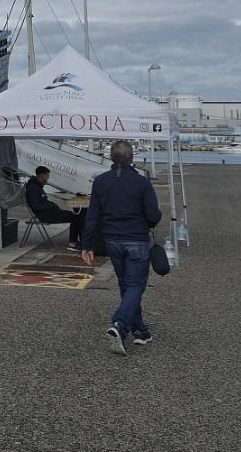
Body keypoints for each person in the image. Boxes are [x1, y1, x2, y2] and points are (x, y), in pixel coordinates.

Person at [81, 140, 162, 356]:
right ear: (132, 158)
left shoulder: (100, 182)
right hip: (136, 239)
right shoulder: (141, 182)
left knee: (126, 285)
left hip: (112, 240)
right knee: (135, 285)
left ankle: (141, 331)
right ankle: (120, 323)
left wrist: (87, 245)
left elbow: (92, 216)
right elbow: (153, 216)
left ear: (111, 157)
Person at [24, 166, 85, 249]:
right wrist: (51, 206)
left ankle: (75, 242)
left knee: (77, 215)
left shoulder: (37, 186)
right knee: (76, 217)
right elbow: (36, 206)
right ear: (41, 175)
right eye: (47, 175)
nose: (48, 178)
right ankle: (74, 243)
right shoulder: (33, 188)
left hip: (51, 212)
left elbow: (42, 202)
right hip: (45, 215)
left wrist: (52, 205)